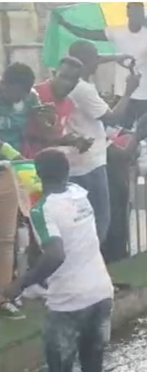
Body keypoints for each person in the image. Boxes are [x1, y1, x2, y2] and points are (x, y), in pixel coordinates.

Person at [1, 148, 113, 372]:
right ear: (68, 171)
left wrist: (20, 284)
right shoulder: (80, 194)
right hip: (101, 294)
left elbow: (55, 254)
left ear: (39, 175)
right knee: (93, 367)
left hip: (69, 303)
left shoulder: (42, 210)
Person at [66, 40, 140, 245]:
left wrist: (116, 58)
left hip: (78, 161)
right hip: (90, 163)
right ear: (86, 62)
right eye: (95, 59)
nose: (98, 64)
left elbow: (92, 59)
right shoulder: (83, 89)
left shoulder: (67, 81)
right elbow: (113, 117)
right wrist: (128, 91)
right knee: (101, 221)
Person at [56, 2, 147, 129]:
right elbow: (90, 35)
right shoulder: (117, 32)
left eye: (141, 13)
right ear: (128, 13)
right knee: (122, 129)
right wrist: (66, 25)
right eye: (135, 12)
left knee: (144, 128)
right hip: (122, 92)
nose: (138, 16)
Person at [0, 62, 55, 320]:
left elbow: (47, 129)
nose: (19, 99)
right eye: (16, 93)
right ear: (5, 84)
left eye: (24, 94)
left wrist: (47, 117)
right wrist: (9, 152)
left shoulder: (30, 98)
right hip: (8, 160)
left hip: (9, 174)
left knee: (7, 239)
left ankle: (4, 297)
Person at [22, 57, 93, 159]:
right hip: (24, 162)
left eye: (72, 80)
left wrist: (75, 141)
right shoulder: (33, 94)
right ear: (53, 74)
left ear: (77, 83)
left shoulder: (69, 102)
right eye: (63, 77)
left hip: (47, 164)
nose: (67, 83)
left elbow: (52, 138)